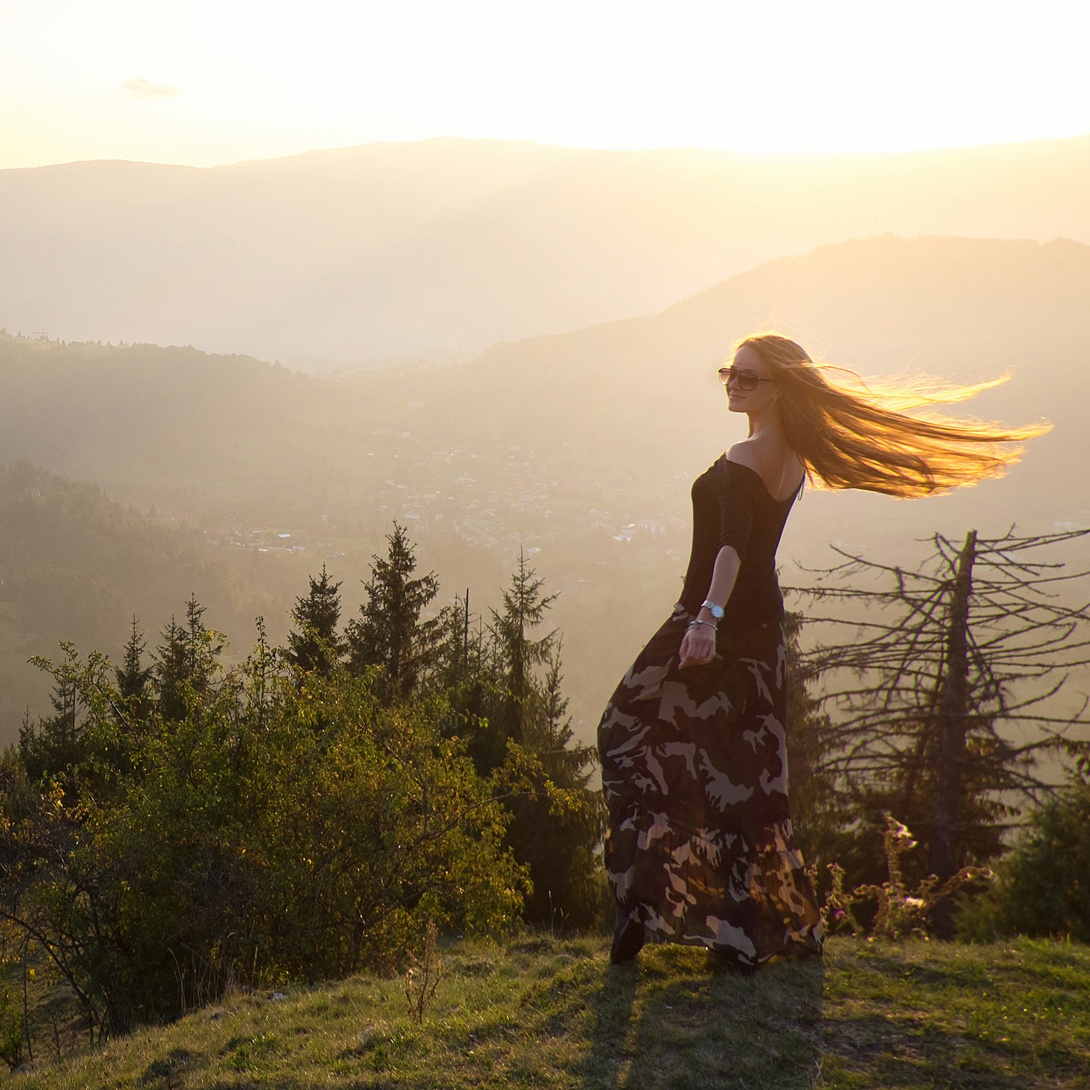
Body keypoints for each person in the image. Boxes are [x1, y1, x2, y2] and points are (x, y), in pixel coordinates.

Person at [598, 332, 1048, 968]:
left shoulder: (745, 454)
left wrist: (705, 618)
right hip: (760, 639)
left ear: (780, 387)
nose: (732, 382)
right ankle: (731, 932)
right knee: (741, 784)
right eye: (729, 371)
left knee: (621, 736)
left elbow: (730, 548)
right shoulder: (792, 458)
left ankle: (644, 907)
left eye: (748, 376)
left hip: (710, 624)